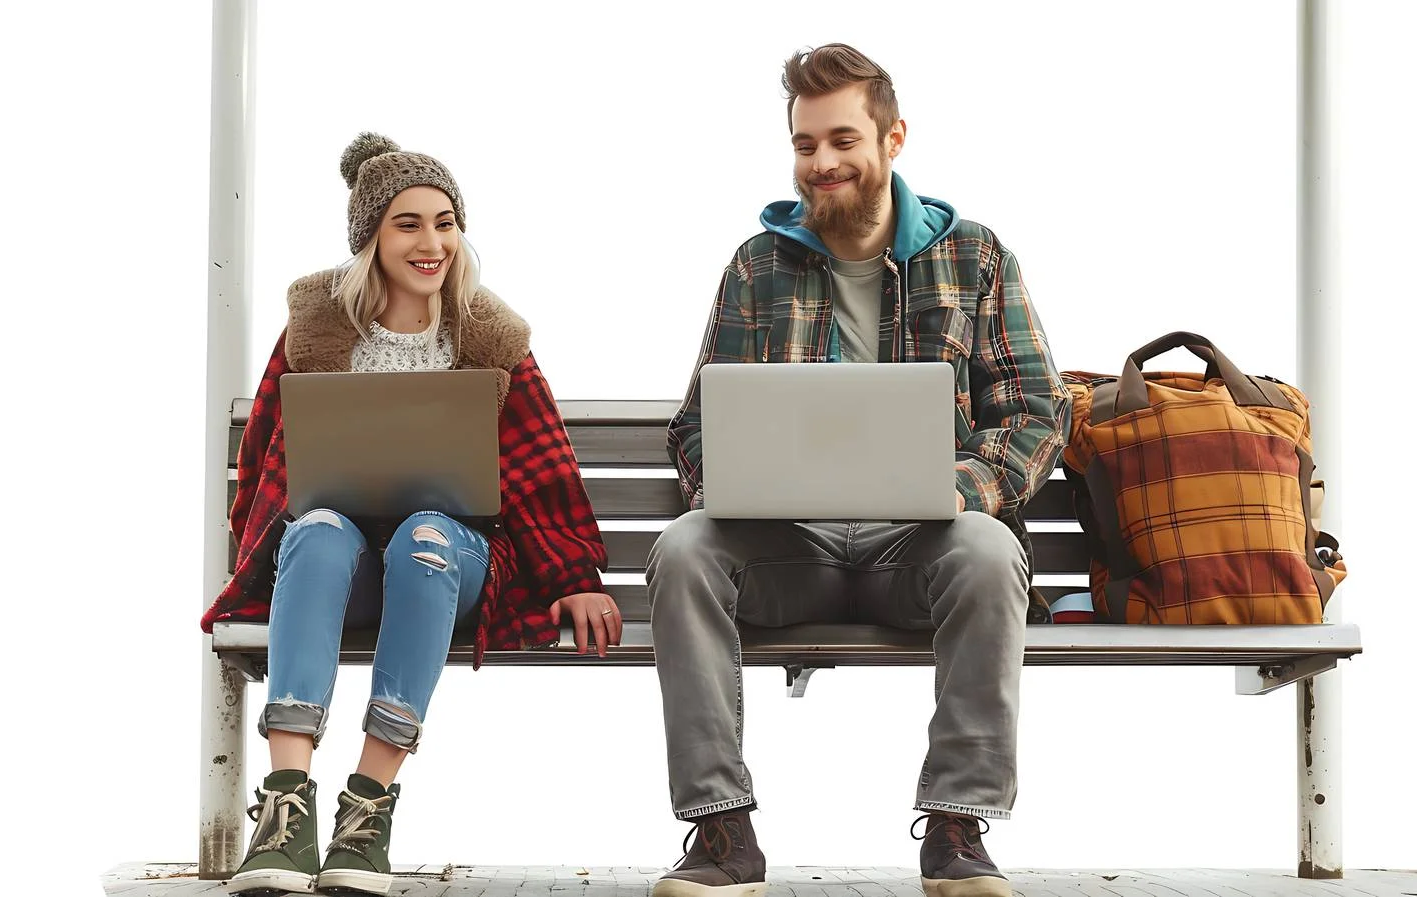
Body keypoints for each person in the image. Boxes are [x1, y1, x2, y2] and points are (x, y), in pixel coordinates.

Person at [645, 45, 1069, 897]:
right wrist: (728, 483)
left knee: (989, 552)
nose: (822, 162)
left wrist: (958, 490)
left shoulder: (975, 257)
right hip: (788, 553)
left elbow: (1036, 413)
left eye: (842, 139)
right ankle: (723, 833)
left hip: (917, 553)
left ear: (892, 138)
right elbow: (695, 425)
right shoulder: (756, 266)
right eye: (805, 144)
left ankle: (957, 828)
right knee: (684, 549)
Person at [200, 133, 619, 897]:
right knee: (316, 531)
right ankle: (287, 811)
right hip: (345, 570)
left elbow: (542, 470)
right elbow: (263, 457)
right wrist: (266, 548)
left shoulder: (489, 336)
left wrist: (574, 577)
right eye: (409, 224)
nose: (432, 243)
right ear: (371, 238)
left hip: (448, 563)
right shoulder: (317, 332)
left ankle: (367, 809)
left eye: (445, 222)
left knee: (425, 536)